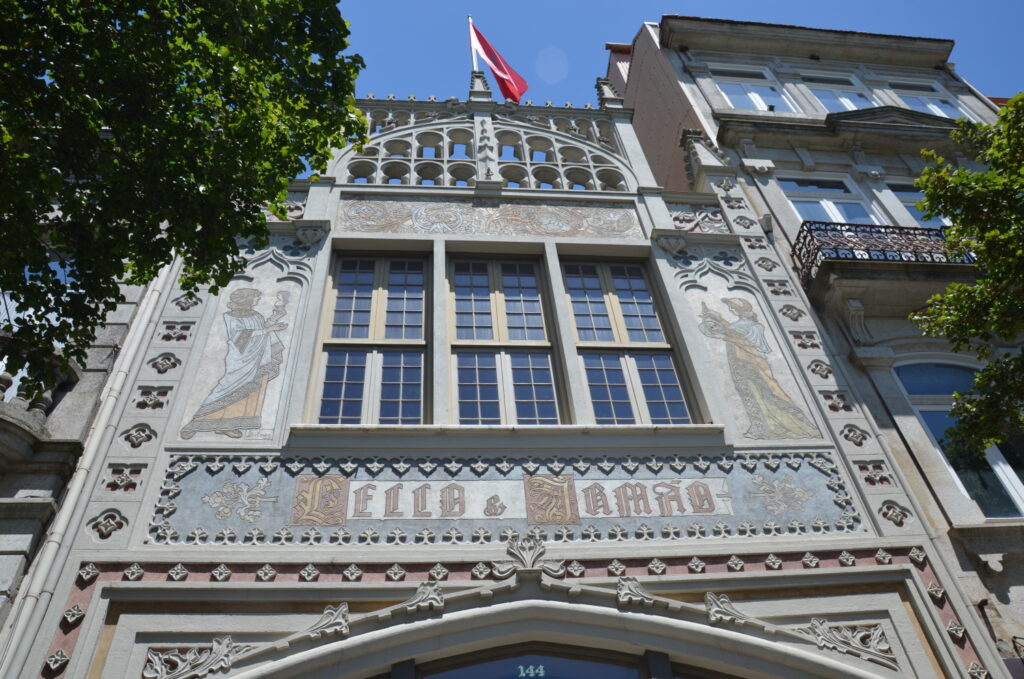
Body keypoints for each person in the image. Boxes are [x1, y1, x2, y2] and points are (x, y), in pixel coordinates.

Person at [699, 297, 818, 439]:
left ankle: (795, 426)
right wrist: (716, 324)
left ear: (741, 309)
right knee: (751, 395)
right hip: (740, 365)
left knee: (768, 393)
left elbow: (749, 343)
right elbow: (731, 333)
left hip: (753, 364)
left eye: (733, 307)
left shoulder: (755, 326)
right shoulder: (736, 325)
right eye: (730, 307)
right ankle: (762, 427)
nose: (731, 309)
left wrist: (721, 324)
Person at [180, 288, 287, 439]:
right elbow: (240, 337)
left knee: (252, 391)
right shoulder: (230, 316)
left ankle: (229, 425)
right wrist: (269, 329)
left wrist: (274, 320)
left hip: (258, 358)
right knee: (227, 388)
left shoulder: (257, 315)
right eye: (255, 297)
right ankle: (196, 423)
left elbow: (262, 328)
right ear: (246, 299)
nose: (257, 300)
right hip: (240, 360)